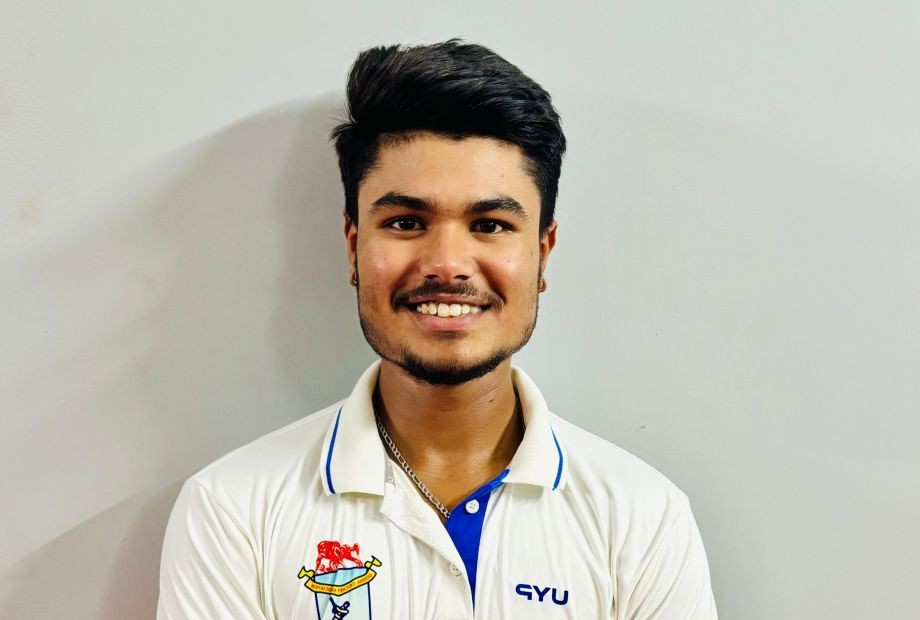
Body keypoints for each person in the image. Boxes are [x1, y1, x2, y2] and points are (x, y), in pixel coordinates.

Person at [157, 39, 718, 619]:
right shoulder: (233, 510)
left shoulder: (642, 516)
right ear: (353, 247)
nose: (447, 265)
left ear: (543, 253)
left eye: (490, 224)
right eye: (406, 222)